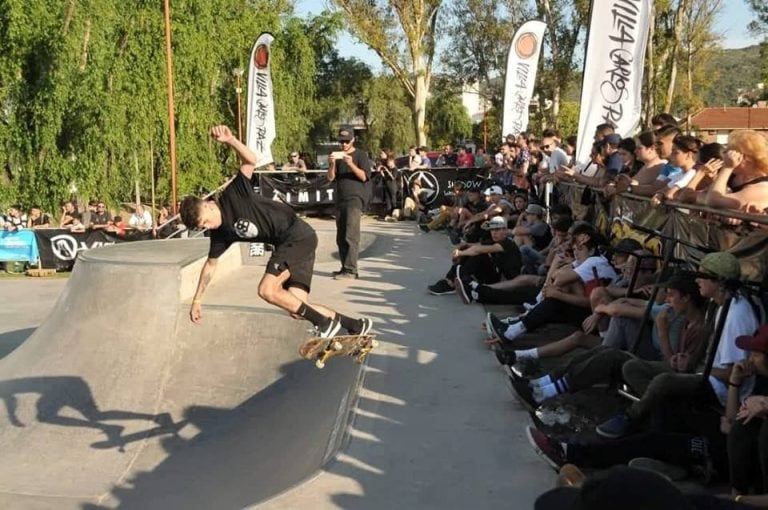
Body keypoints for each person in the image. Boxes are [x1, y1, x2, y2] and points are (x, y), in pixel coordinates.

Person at [179, 125, 372, 339]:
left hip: (295, 235)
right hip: (295, 243)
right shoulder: (220, 234)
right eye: (203, 227)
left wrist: (231, 140)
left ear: (207, 205)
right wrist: (197, 300)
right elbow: (210, 265)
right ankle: (355, 325)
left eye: (206, 222)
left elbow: (250, 161)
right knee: (297, 308)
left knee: (266, 290)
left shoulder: (233, 194)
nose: (208, 227)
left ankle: (325, 324)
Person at [326, 127, 371, 279]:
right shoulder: (337, 156)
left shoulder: (361, 155)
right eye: (341, 141)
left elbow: (364, 176)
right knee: (341, 236)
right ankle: (344, 267)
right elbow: (331, 177)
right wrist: (332, 164)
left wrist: (351, 164)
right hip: (340, 199)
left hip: (355, 198)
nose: (343, 144)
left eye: (346, 141)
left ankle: (352, 270)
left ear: (353, 140)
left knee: (351, 235)